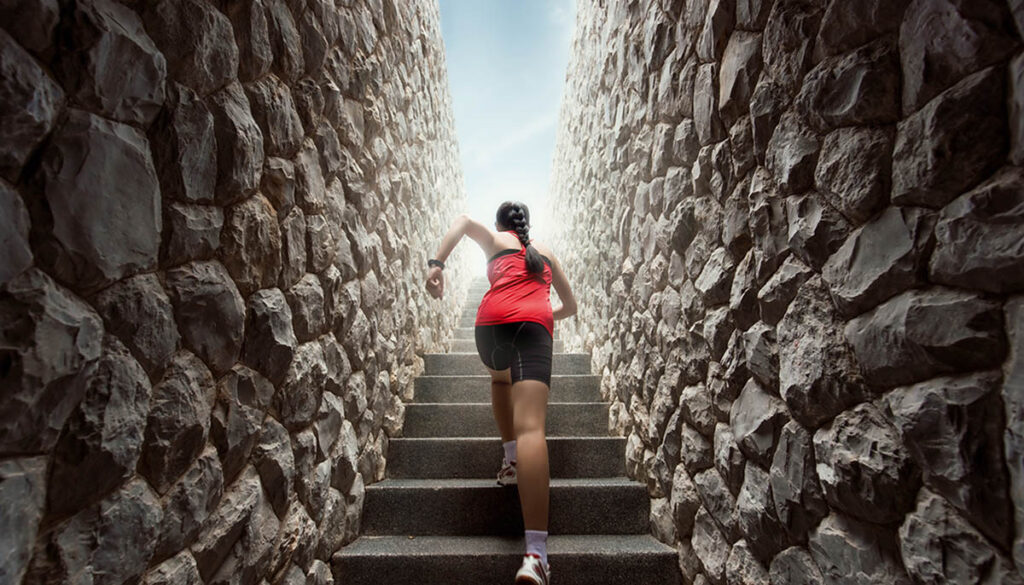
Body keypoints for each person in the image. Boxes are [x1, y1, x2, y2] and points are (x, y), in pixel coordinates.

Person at [425, 201, 577, 585]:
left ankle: (509, 461)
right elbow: (570, 307)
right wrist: (540, 311)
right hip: (533, 328)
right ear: (528, 224)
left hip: (490, 328)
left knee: (499, 380)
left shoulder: (494, 240)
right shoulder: (545, 256)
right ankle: (535, 555)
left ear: (500, 223)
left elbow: (461, 220)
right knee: (532, 429)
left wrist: (437, 265)